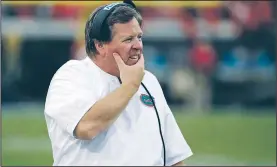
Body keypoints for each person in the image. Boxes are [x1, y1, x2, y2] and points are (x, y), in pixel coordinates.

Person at [44, 1, 193, 166]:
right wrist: (130, 86)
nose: (138, 46)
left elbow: (173, 157)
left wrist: (134, 82)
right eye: (128, 39)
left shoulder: (148, 80)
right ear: (100, 45)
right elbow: (87, 127)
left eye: (139, 37)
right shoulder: (72, 75)